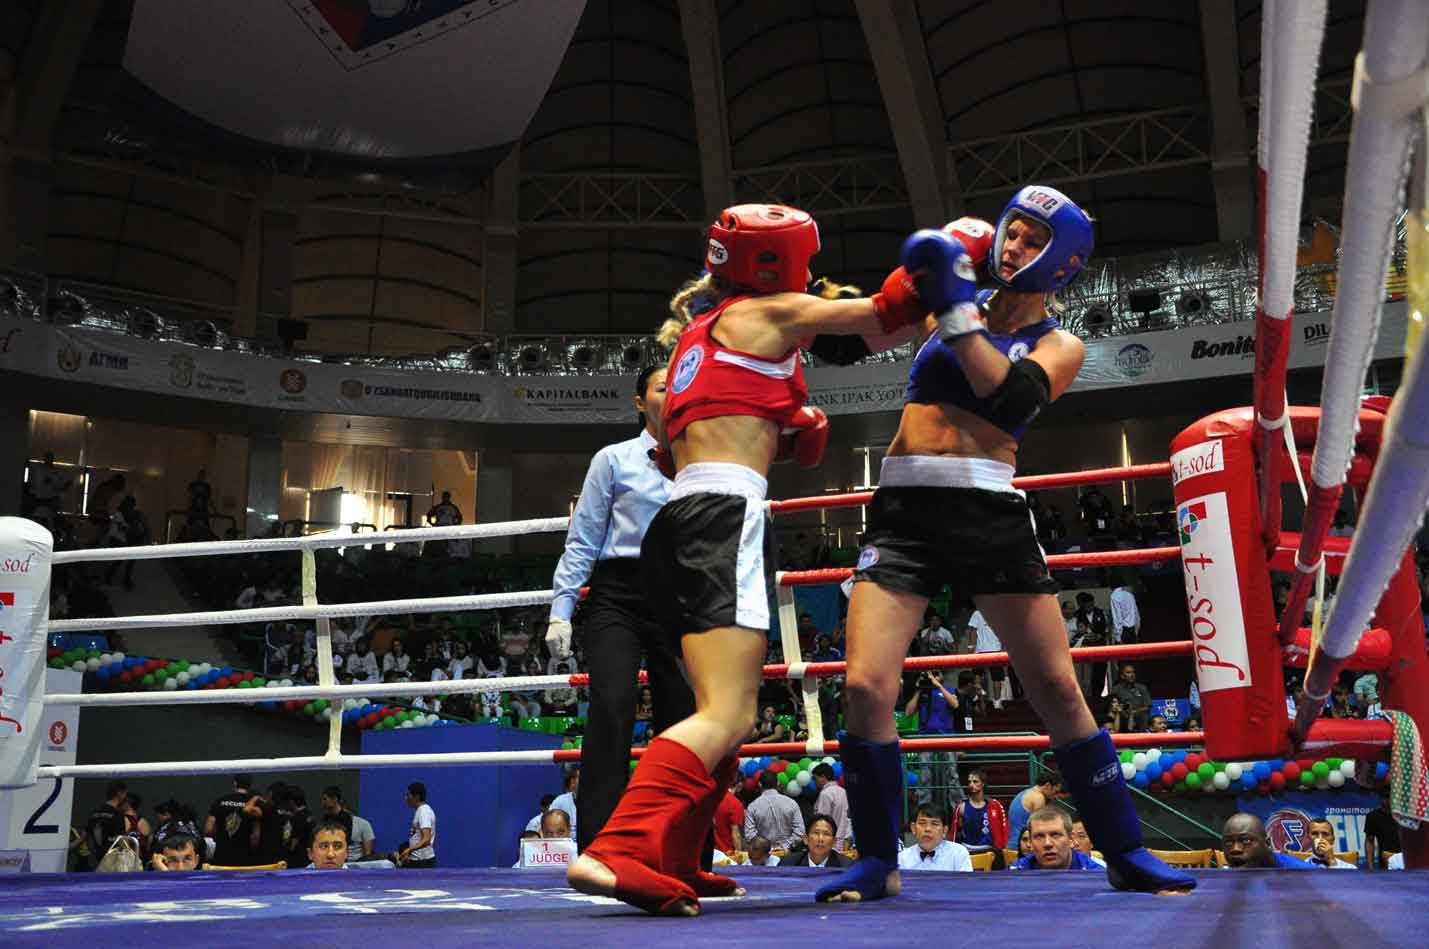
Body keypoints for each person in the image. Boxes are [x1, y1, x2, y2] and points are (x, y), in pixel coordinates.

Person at [815, 187, 1194, 903]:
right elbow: (841, 344)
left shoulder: (1059, 344)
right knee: (864, 686)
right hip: (902, 510)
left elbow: (1009, 398)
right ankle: (876, 861)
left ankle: (1125, 851)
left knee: (1055, 687)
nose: (1012, 246)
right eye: (1010, 231)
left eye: (1030, 239)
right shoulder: (942, 308)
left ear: (1062, 262)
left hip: (987, 511)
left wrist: (957, 306)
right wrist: (817, 298)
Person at [567, 201, 926, 916]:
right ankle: (614, 850)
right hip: (724, 519)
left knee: (720, 706)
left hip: (678, 523)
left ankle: (677, 857)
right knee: (729, 713)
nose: (811, 276)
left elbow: (681, 450)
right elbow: (885, 316)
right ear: (777, 263)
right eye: (806, 264)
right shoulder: (769, 311)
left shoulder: (698, 338)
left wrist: (785, 432)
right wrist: (951, 262)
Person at [1012, 807, 1104, 870]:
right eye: (1039, 836)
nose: (1047, 843)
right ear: (1030, 843)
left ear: (1071, 839)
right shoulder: (1014, 874)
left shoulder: (1097, 875)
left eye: (1055, 835)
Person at [1220, 813, 1315, 869]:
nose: (1235, 849)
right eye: (1228, 842)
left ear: (1267, 843)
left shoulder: (1302, 874)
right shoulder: (1226, 879)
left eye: (1246, 840)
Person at [950, 769, 1008, 861]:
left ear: (983, 783)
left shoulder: (995, 806)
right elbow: (954, 832)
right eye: (969, 782)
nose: (971, 784)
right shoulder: (961, 807)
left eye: (975, 781)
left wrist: (1002, 849)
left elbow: (1004, 829)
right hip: (967, 850)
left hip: (988, 850)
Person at [896, 803, 973, 871]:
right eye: (922, 823)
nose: (928, 829)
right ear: (913, 828)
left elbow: (966, 882)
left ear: (944, 831)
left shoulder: (958, 853)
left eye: (934, 824)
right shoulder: (902, 858)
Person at [206, 774, 260, 867]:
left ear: (235, 783)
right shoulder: (254, 804)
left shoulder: (220, 801)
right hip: (244, 857)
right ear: (250, 784)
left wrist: (221, 838)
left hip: (222, 856)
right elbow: (256, 836)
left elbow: (208, 829)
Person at [743, 771, 805, 850]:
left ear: (760, 784)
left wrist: (766, 848)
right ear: (778, 783)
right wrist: (785, 846)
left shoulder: (753, 807)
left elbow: (749, 835)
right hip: (789, 853)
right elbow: (800, 831)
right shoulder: (791, 803)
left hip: (764, 854)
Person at [1006, 774, 1060, 858]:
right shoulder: (1038, 798)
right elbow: (1041, 827)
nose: (1056, 797)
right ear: (1047, 786)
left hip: (1012, 847)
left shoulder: (1026, 793)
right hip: (1023, 849)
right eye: (1055, 792)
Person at [84, 780, 128, 871]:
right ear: (119, 793)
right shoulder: (117, 814)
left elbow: (86, 836)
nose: (125, 797)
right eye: (124, 793)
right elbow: (121, 839)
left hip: (97, 858)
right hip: (113, 859)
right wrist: (130, 853)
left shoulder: (95, 812)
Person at [781, 815, 849, 868]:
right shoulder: (788, 864)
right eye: (816, 833)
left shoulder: (846, 867)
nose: (820, 839)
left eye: (826, 834)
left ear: (834, 842)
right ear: (806, 839)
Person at [811, 763, 851, 851]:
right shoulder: (844, 792)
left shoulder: (825, 794)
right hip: (845, 843)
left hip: (830, 843)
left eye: (815, 778)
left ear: (823, 777)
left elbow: (822, 822)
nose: (815, 782)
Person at [397, 782, 437, 868]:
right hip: (417, 860)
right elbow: (417, 837)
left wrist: (409, 850)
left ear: (417, 797)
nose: (405, 798)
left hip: (423, 862)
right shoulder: (420, 811)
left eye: (408, 795)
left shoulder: (424, 812)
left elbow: (426, 839)